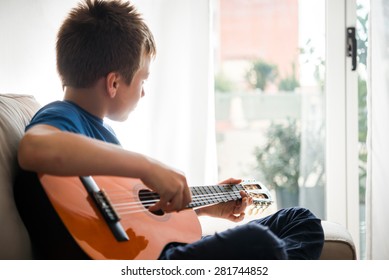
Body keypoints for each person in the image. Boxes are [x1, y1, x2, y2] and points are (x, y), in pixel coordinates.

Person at [14, 0, 324, 260]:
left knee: (300, 221)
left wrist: (205, 207)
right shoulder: (61, 115)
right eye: (143, 80)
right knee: (261, 243)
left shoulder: (101, 136)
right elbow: (33, 147)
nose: (144, 92)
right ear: (113, 83)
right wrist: (148, 166)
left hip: (151, 253)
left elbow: (134, 218)